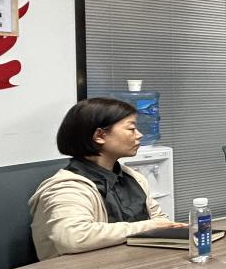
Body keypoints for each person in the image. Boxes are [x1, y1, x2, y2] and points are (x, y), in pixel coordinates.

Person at [29, 98, 182, 260]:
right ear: (100, 135)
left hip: (131, 263)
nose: (139, 135)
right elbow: (73, 238)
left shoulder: (133, 178)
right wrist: (148, 227)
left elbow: (160, 220)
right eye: (131, 129)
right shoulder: (67, 188)